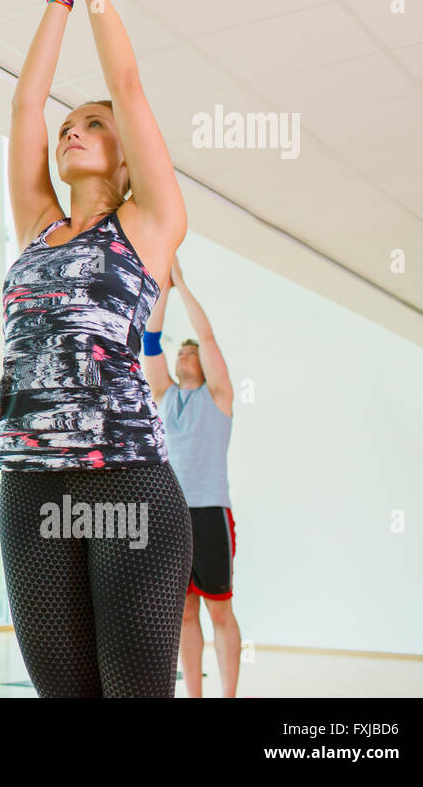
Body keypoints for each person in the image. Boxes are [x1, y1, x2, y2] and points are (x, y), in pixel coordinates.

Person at [0, 0, 193, 696]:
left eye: (94, 125)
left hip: (126, 483)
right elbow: (23, 108)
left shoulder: (147, 228)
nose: (72, 130)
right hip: (30, 484)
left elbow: (133, 88)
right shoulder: (36, 227)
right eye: (69, 125)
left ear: (124, 154)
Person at [142, 255, 240, 697]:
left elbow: (207, 335)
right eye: (181, 353)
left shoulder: (219, 397)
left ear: (203, 365)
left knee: (219, 612)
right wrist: (163, 286)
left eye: (191, 353)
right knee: (183, 614)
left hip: (210, 513)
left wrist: (181, 278)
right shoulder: (164, 396)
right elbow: (149, 338)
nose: (185, 354)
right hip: (171, 516)